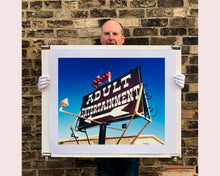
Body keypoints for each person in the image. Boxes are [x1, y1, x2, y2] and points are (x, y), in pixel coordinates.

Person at [38, 19, 185, 176]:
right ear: (101, 37)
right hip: (103, 150)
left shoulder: (138, 56)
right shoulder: (88, 57)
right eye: (106, 33)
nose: (110, 37)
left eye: (115, 34)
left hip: (129, 152)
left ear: (122, 38)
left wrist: (173, 85)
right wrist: (48, 89)